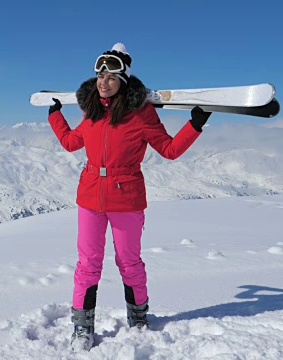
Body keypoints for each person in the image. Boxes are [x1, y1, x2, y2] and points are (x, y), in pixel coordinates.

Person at [47, 43, 211, 352]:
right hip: (91, 197)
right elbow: (70, 143)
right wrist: (56, 115)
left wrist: (195, 124)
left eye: (110, 77)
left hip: (127, 197)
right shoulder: (91, 112)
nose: (103, 82)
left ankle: (138, 319)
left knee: (129, 262)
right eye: (100, 76)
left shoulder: (141, 114)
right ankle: (82, 326)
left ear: (122, 81)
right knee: (88, 264)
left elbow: (170, 150)